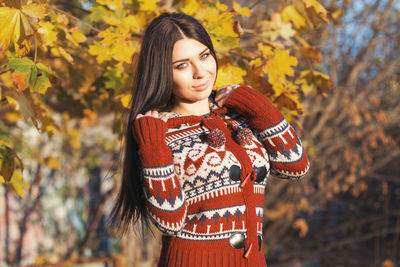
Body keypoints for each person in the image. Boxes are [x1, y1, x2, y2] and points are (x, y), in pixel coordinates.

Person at [110, 12, 310, 267]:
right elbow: (168, 219)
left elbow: (295, 165)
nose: (200, 72)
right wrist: (151, 146)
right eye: (182, 65)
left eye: (204, 56)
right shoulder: (158, 132)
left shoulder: (238, 116)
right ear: (162, 72)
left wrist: (259, 107)